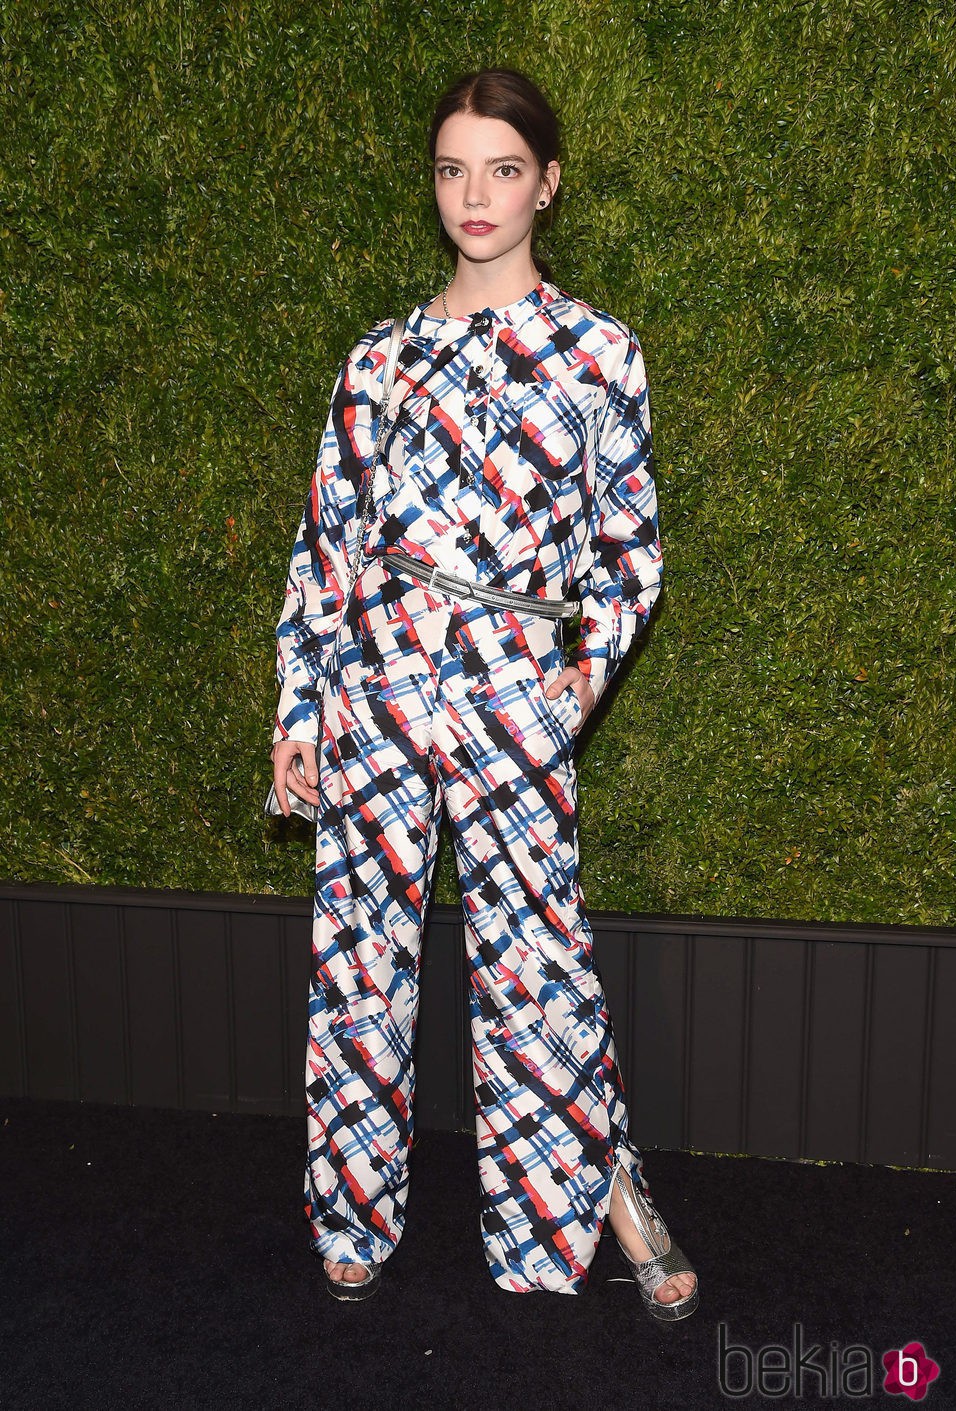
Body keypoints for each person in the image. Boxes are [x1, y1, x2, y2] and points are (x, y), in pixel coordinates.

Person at [270, 68, 698, 1322]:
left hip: (517, 689)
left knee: (536, 963)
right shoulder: (379, 360)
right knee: (360, 963)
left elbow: (632, 547)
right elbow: (325, 548)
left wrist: (579, 671)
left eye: (502, 169)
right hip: (380, 676)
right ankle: (351, 1208)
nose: (475, 194)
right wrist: (301, 709)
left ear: (546, 183)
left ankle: (582, 1208)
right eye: (453, 168)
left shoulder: (598, 351)